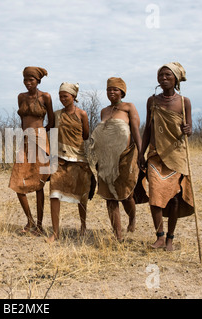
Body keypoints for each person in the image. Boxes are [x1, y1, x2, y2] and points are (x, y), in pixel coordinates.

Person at [138, 62, 194, 251]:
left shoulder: (184, 101)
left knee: (175, 198)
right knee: (155, 194)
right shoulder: (152, 101)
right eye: (160, 75)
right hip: (155, 154)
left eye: (167, 75)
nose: (163, 78)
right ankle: (159, 237)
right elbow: (148, 128)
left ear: (176, 79)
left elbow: (189, 128)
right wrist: (141, 153)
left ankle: (170, 239)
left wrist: (188, 129)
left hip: (176, 155)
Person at [89, 77, 142, 242]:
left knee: (126, 195)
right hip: (105, 159)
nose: (111, 92)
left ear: (122, 92)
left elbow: (135, 132)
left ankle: (132, 218)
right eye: (109, 90)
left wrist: (141, 154)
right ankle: (117, 235)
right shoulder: (104, 111)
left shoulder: (129, 108)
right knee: (109, 197)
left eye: (115, 90)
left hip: (124, 157)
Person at [9, 66, 54, 236]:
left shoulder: (45, 97)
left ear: (38, 81)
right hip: (25, 141)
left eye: (31, 80)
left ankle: (40, 225)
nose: (28, 83)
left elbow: (52, 121)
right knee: (17, 182)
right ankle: (30, 220)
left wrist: (40, 134)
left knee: (39, 185)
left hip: (40, 140)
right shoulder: (21, 97)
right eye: (25, 80)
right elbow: (22, 120)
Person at [47, 82, 95, 243]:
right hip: (59, 159)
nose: (62, 99)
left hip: (78, 159)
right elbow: (52, 134)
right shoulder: (56, 114)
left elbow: (86, 135)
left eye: (65, 96)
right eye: (60, 96)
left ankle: (83, 227)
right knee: (54, 194)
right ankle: (55, 232)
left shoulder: (82, 114)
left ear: (73, 97)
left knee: (81, 195)